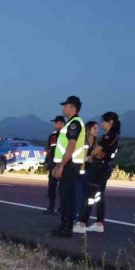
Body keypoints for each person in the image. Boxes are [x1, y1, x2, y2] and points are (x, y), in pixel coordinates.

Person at [76, 112, 121, 233]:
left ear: (110, 122)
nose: (101, 125)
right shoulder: (114, 135)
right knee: (99, 196)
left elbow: (97, 151)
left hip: (99, 169)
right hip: (103, 168)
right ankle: (99, 223)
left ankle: (82, 224)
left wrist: (91, 155)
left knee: (90, 196)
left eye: (103, 122)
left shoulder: (110, 135)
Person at [50, 95, 86, 237]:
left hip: (70, 166)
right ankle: (63, 225)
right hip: (68, 165)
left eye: (65, 106)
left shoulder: (74, 123)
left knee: (68, 197)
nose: (63, 108)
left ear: (72, 107)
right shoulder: (71, 123)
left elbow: (71, 146)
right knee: (65, 196)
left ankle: (66, 228)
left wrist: (61, 166)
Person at [74, 121, 98, 224]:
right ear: (88, 129)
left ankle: (82, 219)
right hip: (80, 173)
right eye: (94, 128)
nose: (97, 130)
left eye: (97, 128)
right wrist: (85, 158)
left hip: (91, 174)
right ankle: (76, 218)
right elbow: (76, 156)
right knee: (79, 196)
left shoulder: (97, 143)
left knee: (87, 198)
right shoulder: (82, 143)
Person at [43, 116, 65, 215]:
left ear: (61, 123)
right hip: (52, 165)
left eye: (56, 123)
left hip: (63, 165)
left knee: (63, 189)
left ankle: (62, 209)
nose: (55, 125)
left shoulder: (67, 135)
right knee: (52, 188)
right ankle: (51, 208)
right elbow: (48, 150)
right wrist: (46, 161)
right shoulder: (52, 136)